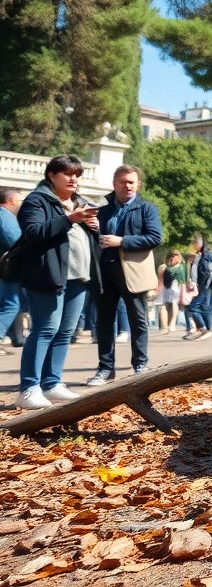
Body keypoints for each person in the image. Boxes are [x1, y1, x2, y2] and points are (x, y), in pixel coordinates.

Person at [15, 156, 101, 409]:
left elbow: (84, 238)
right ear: (51, 175)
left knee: (65, 333)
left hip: (79, 276)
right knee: (45, 330)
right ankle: (29, 388)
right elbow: (33, 233)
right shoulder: (36, 200)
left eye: (77, 174)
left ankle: (51, 384)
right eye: (67, 174)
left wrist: (93, 227)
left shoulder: (78, 202)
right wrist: (70, 219)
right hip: (48, 276)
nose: (74, 179)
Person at [86, 166, 163, 386]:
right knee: (104, 322)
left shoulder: (146, 208)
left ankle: (140, 364)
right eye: (122, 182)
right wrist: (92, 230)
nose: (127, 185)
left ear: (138, 184)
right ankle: (105, 368)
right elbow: (94, 239)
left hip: (133, 271)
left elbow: (155, 237)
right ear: (114, 184)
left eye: (131, 182)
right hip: (104, 271)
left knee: (138, 320)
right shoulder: (102, 209)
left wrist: (122, 241)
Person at [0, 190, 24, 355]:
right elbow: (16, 241)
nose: (21, 204)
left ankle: (15, 337)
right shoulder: (5, 216)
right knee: (12, 304)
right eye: (19, 200)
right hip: (6, 270)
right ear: (10, 201)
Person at [184, 235, 212, 340]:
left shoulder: (207, 256)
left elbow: (210, 273)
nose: (193, 245)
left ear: (201, 244)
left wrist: (204, 287)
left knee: (194, 308)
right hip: (204, 287)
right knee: (205, 309)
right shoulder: (201, 255)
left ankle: (205, 330)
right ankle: (205, 330)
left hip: (207, 287)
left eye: (195, 243)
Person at [158, 250, 185, 333]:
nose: (174, 258)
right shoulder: (179, 267)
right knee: (172, 305)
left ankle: (167, 326)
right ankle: (170, 325)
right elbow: (182, 281)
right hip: (172, 288)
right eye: (173, 256)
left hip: (169, 288)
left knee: (167, 305)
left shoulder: (164, 268)